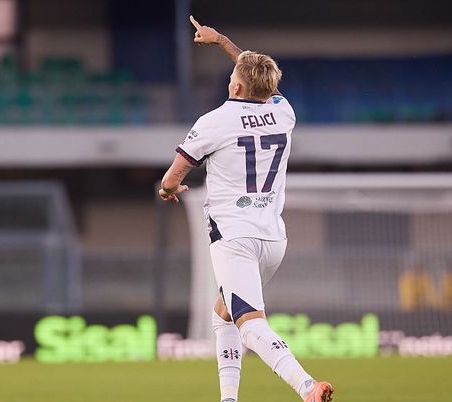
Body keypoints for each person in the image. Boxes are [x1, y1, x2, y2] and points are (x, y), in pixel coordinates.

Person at [157, 16, 333, 402]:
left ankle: (306, 387)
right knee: (224, 312)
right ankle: (229, 399)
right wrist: (222, 42)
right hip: (272, 238)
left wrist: (168, 190)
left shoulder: (214, 121)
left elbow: (172, 177)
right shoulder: (283, 114)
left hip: (234, 237)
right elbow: (258, 79)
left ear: (235, 84)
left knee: (250, 324)